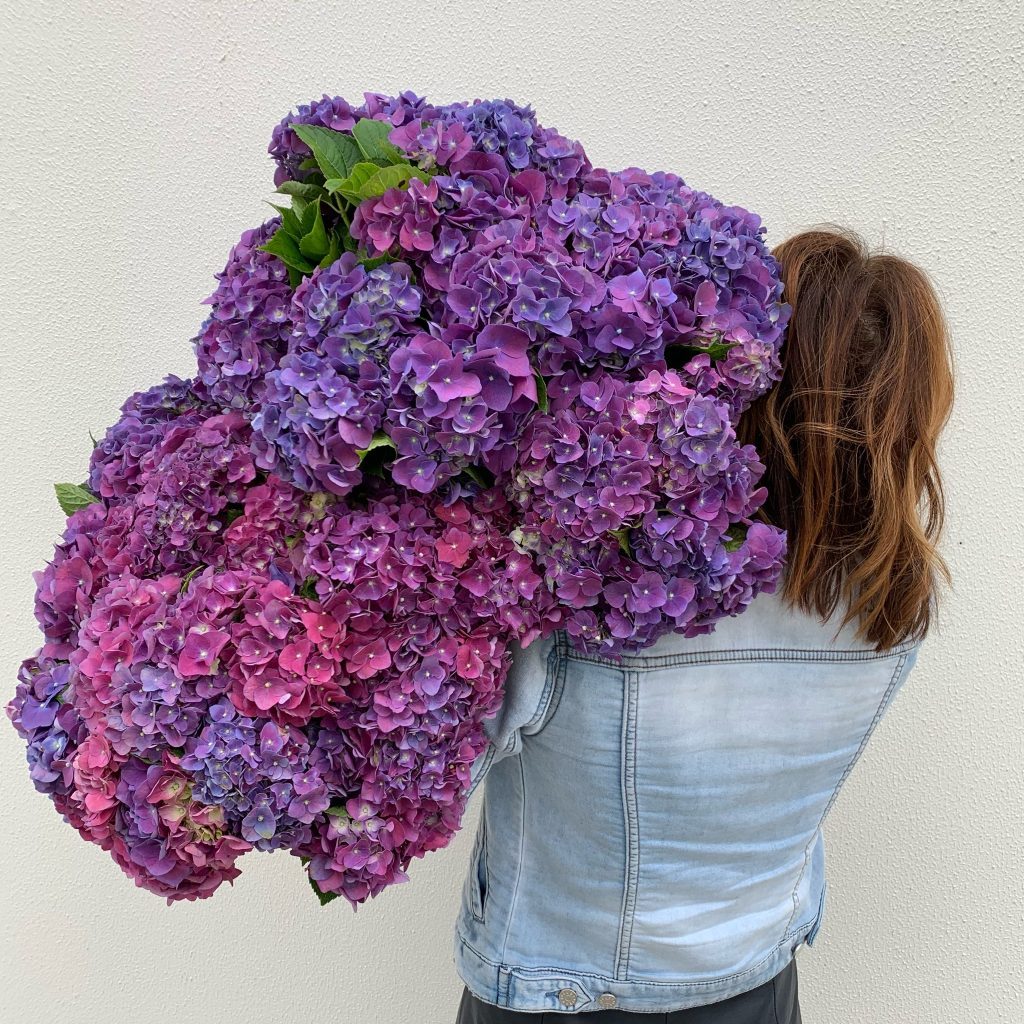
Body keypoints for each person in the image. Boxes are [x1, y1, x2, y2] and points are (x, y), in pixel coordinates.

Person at [452, 228, 955, 1022]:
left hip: (571, 997)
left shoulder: (593, 601)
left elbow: (435, 763)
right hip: (758, 984)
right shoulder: (892, 608)